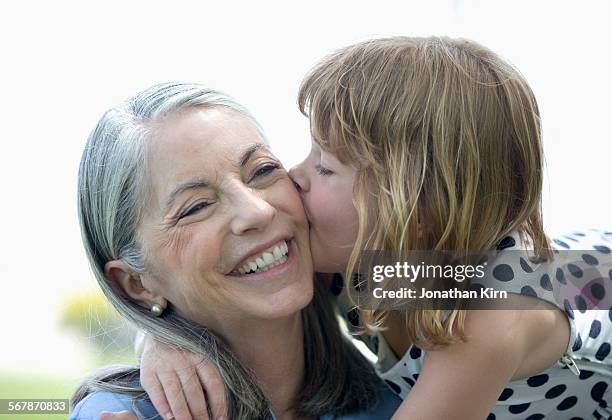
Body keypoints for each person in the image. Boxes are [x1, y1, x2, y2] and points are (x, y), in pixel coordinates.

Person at [135, 37, 612, 419]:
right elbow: (213, 291)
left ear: (416, 207)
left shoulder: (486, 317)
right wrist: (162, 336)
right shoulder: (358, 259)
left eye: (325, 167)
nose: (292, 175)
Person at [69, 82, 401, 420]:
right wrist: (159, 333)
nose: (258, 212)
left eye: (263, 170)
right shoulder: (117, 415)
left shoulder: (358, 280)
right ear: (135, 285)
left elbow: (456, 280)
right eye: (196, 207)